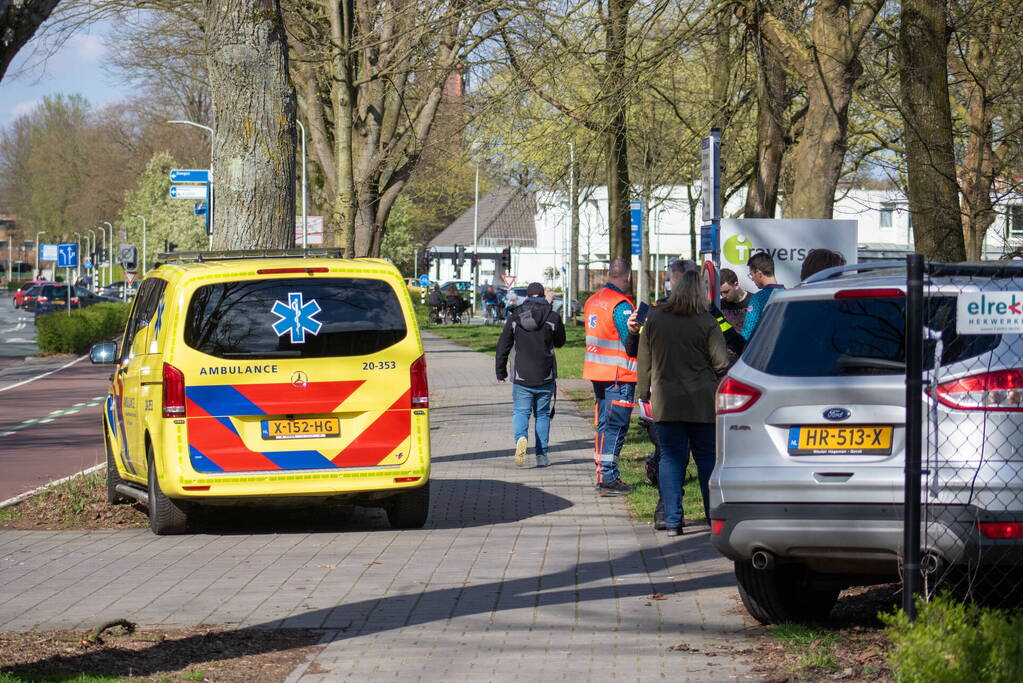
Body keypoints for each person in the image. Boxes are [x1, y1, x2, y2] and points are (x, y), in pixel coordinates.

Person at [637, 270, 728, 536]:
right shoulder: (707, 321)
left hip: (666, 401)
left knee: (670, 459)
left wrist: (643, 393)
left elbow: (644, 360)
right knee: (706, 460)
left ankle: (673, 521)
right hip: (702, 402)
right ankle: (713, 517)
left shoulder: (655, 319)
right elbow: (721, 363)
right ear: (701, 292)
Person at [496, 282, 566, 468]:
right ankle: (542, 456)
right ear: (543, 295)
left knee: (521, 412)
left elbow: (503, 345)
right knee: (542, 414)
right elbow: (560, 341)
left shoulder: (515, 316)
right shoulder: (552, 316)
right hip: (545, 375)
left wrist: (500, 371)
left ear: (527, 296)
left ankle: (521, 438)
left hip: (521, 375)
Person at [583, 258, 637, 495]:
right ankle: (608, 477)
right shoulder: (621, 305)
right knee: (616, 426)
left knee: (604, 425)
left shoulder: (593, 300)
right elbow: (631, 344)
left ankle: (602, 473)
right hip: (619, 375)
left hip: (598, 372)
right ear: (628, 276)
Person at [741, 252, 785, 340]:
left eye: (751, 275)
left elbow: (748, 332)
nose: (752, 279)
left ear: (759, 273)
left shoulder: (758, 299)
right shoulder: (788, 295)